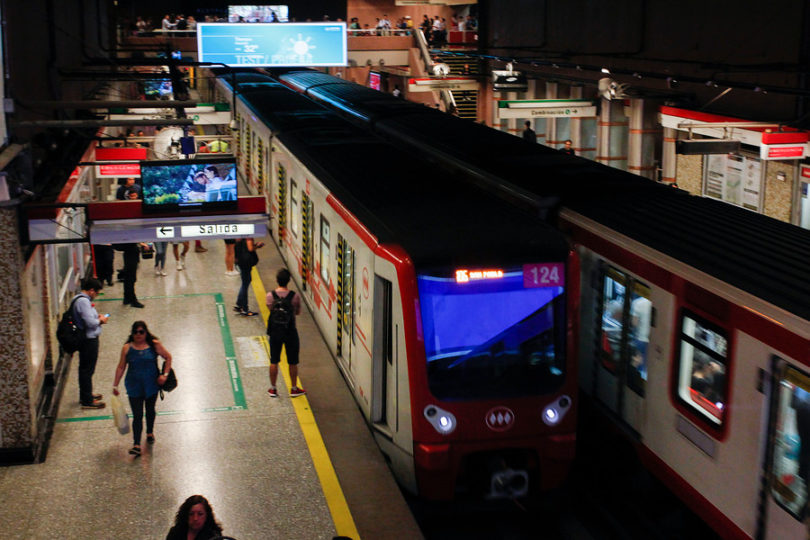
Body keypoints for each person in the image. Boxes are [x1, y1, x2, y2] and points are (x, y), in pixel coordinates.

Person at [113, 321, 172, 457]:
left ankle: (149, 431)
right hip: (134, 386)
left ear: (146, 332)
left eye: (141, 332)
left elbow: (168, 357)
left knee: (150, 410)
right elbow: (121, 366)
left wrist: (165, 375)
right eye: (135, 332)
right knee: (137, 415)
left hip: (151, 385)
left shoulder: (154, 345)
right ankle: (136, 444)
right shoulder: (127, 348)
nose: (138, 335)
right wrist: (115, 384)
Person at [266, 268, 305, 398]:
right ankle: (294, 388)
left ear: (277, 280)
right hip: (290, 331)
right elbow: (297, 312)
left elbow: (270, 309)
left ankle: (273, 389)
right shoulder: (294, 296)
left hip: (275, 332)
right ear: (289, 281)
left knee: (274, 360)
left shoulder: (270, 296)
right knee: (292, 361)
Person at [74, 278, 110, 409]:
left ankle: (86, 394)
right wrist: (101, 320)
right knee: (87, 370)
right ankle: (87, 400)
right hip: (88, 340)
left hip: (86, 339)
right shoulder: (83, 301)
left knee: (86, 369)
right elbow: (90, 323)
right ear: (91, 290)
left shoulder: (78, 299)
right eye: (97, 293)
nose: (96, 296)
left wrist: (96, 316)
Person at [233, 237, 263, 316]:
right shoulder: (249, 236)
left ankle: (239, 304)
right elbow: (250, 248)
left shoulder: (239, 236)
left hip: (240, 260)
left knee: (245, 282)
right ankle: (244, 309)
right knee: (245, 284)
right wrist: (257, 246)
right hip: (246, 262)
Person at [122, 243, 144, 308]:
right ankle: (133, 300)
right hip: (130, 252)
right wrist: (141, 244)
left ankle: (127, 298)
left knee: (128, 277)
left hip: (130, 252)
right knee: (131, 278)